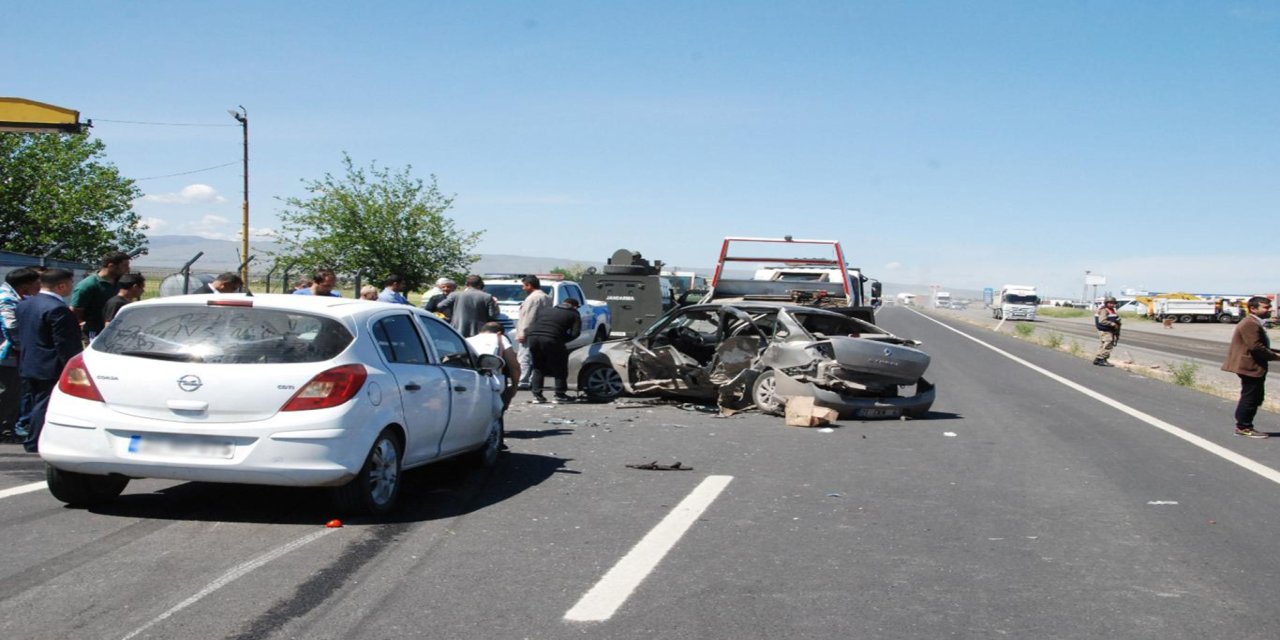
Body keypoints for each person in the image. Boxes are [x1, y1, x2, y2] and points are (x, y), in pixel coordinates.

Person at [15, 268, 83, 453]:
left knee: (34, 402)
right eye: (70, 283)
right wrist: (75, 370)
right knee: (45, 404)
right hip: (50, 366)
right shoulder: (58, 309)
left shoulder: (25, 304)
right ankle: (35, 441)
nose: (72, 287)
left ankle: (32, 437)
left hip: (29, 362)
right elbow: (65, 344)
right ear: (61, 285)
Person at [1221, 296, 1279, 439]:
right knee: (1250, 397)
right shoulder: (1250, 323)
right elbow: (1256, 347)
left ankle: (1244, 425)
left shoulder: (1254, 322)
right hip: (1249, 366)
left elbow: (1259, 346)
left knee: (1255, 396)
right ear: (1253, 308)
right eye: (1265, 307)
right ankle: (1244, 427)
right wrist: (1277, 356)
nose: (1269, 310)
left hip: (1251, 365)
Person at [1, 268, 41, 438]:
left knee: (13, 391)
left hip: (12, 354)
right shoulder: (7, 299)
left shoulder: (17, 297)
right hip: (7, 354)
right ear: (25, 285)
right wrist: (25, 345)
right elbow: (10, 327)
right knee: (7, 391)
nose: (40, 286)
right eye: (37, 282)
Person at [525, 298, 581, 403]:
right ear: (574, 306)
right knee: (560, 367)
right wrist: (562, 340)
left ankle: (537, 395)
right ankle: (560, 394)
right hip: (552, 338)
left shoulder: (546, 310)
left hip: (532, 338)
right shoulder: (574, 314)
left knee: (538, 367)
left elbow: (533, 323)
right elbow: (575, 333)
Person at [70, 250, 131, 342]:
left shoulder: (120, 283)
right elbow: (75, 310)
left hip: (116, 332)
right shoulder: (88, 285)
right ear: (111, 266)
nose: (128, 268)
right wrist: (85, 325)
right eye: (125, 265)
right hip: (95, 333)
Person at [466, 321, 521, 410]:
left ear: (480, 331)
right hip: (491, 382)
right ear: (499, 333)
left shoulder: (468, 340)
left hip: (468, 381)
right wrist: (514, 386)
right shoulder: (500, 337)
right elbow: (514, 365)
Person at [515, 275, 551, 390]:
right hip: (541, 332)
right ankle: (533, 380)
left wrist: (523, 333)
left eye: (524, 286)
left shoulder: (533, 298)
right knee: (536, 358)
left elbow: (528, 317)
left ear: (529, 285)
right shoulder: (546, 297)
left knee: (524, 358)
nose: (523, 288)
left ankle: (523, 381)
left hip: (530, 333)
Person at [1093, 297, 1122, 367]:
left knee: (1104, 344)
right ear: (1106, 303)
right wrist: (1113, 324)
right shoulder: (1104, 310)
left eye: (1113, 303)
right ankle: (1102, 359)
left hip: (1109, 330)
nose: (1112, 304)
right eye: (1110, 303)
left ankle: (1098, 359)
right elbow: (1102, 321)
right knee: (1108, 343)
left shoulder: (1112, 310)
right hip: (1105, 330)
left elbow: (1117, 319)